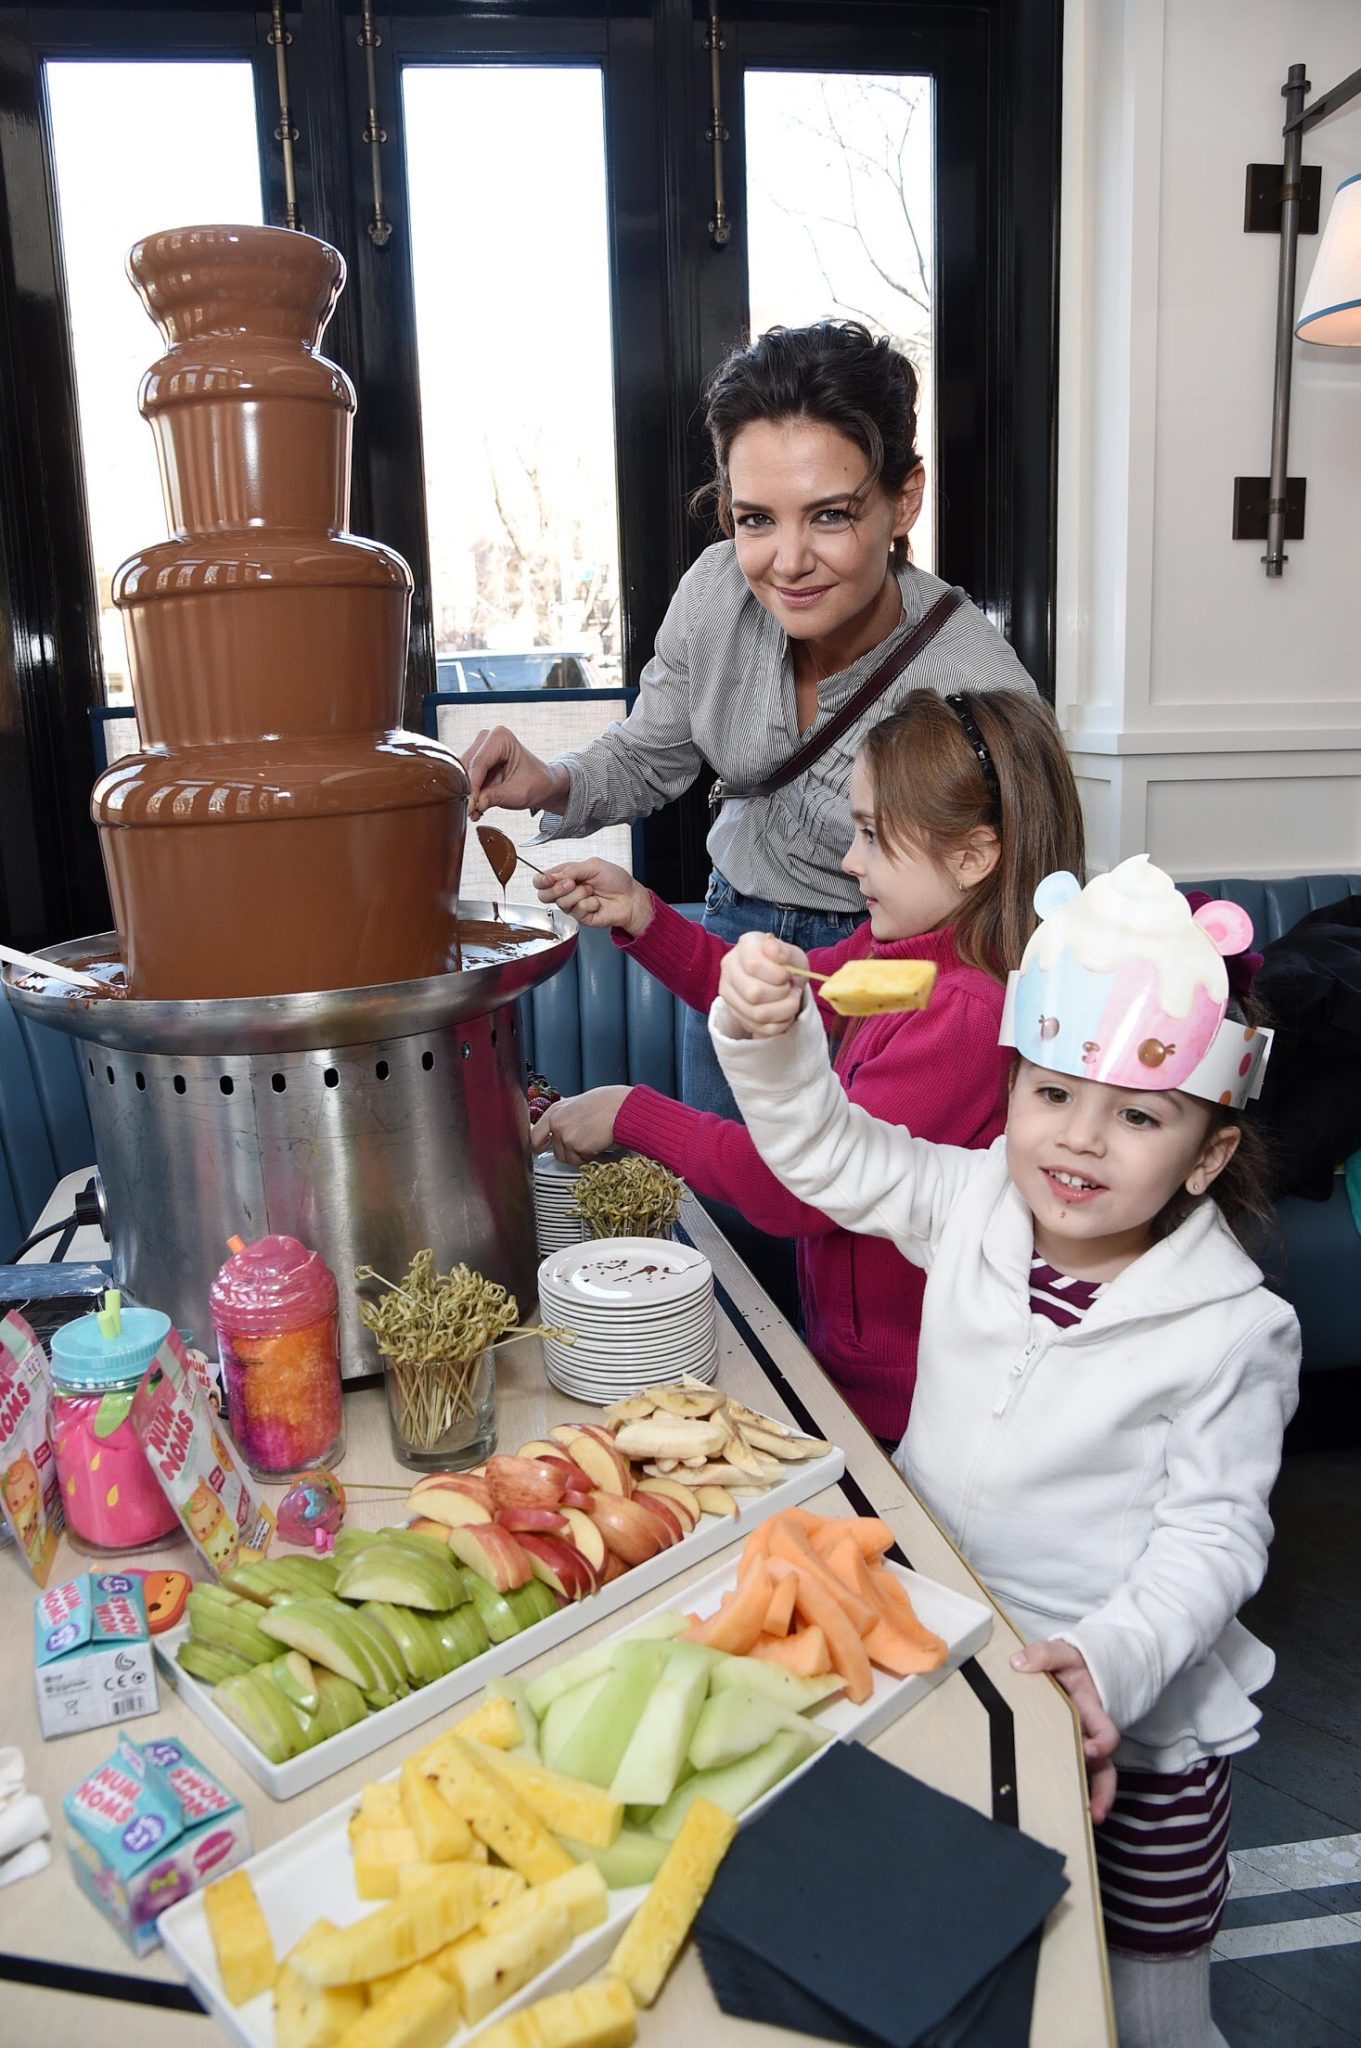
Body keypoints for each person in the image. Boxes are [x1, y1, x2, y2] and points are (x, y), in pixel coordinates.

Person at [708, 856, 1300, 2048]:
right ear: (1010, 1092)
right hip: (942, 1652)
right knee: (971, 1944)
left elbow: (1214, 1536)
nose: (1077, 1141)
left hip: (1128, 1706)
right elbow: (823, 1151)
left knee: (1145, 1993)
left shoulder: (1234, 1326)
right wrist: (762, 1035)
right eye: (1048, 1094)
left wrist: (1108, 1663)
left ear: (1202, 1156)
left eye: (1135, 1113)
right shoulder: (970, 1200)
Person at [463, 319, 1034, 1119]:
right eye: (756, 518)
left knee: (851, 1221)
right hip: (729, 936)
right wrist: (550, 781)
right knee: (731, 1230)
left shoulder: (977, 689)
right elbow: (648, 754)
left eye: (830, 515)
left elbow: (1002, 931)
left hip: (887, 969)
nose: (786, 561)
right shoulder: (712, 591)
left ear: (903, 500)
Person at [530, 689, 1085, 1444]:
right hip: (850, 1364)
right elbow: (762, 992)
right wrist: (643, 915)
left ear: (972, 856)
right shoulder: (894, 951)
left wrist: (629, 1113)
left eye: (871, 836)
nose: (850, 860)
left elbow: (798, 1192)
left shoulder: (963, 1013)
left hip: (912, 1395)